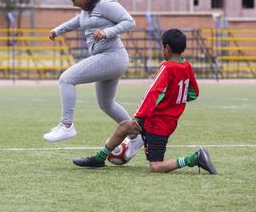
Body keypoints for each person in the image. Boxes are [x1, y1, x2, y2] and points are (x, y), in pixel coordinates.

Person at [73, 29, 217, 174]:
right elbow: (194, 92)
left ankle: (194, 158)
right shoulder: (186, 66)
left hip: (157, 125)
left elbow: (153, 93)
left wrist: (139, 116)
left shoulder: (167, 67)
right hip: (162, 121)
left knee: (155, 167)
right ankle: (98, 158)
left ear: (167, 48)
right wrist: (174, 99)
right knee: (124, 126)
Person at [42, 0, 143, 156]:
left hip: (113, 56)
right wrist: (57, 30)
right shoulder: (86, 10)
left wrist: (106, 32)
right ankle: (137, 137)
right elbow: (77, 22)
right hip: (109, 59)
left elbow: (130, 22)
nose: (73, 4)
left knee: (66, 79)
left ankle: (66, 125)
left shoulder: (105, 4)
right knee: (107, 104)